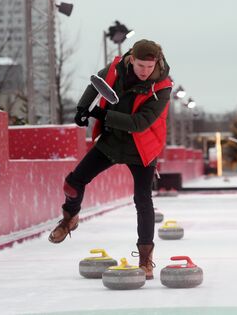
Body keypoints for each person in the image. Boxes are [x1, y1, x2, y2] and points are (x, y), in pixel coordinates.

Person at [48, 39, 172, 280]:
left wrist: (102, 114)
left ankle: (146, 259)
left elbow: (139, 124)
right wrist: (83, 108)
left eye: (150, 66)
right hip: (113, 141)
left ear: (156, 62)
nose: (145, 72)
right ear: (131, 59)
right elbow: (96, 83)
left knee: (142, 200)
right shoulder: (116, 68)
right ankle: (68, 219)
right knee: (73, 183)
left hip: (142, 147)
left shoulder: (162, 87)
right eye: (140, 66)